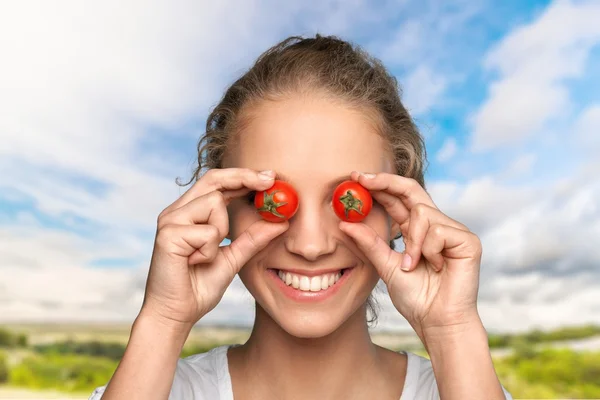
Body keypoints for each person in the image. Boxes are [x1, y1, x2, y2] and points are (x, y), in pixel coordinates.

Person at [90, 34, 513, 399]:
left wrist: (453, 330)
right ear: (221, 212)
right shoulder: (152, 390)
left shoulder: (466, 388)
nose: (310, 246)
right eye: (267, 199)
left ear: (399, 214)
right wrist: (162, 319)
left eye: (353, 199)